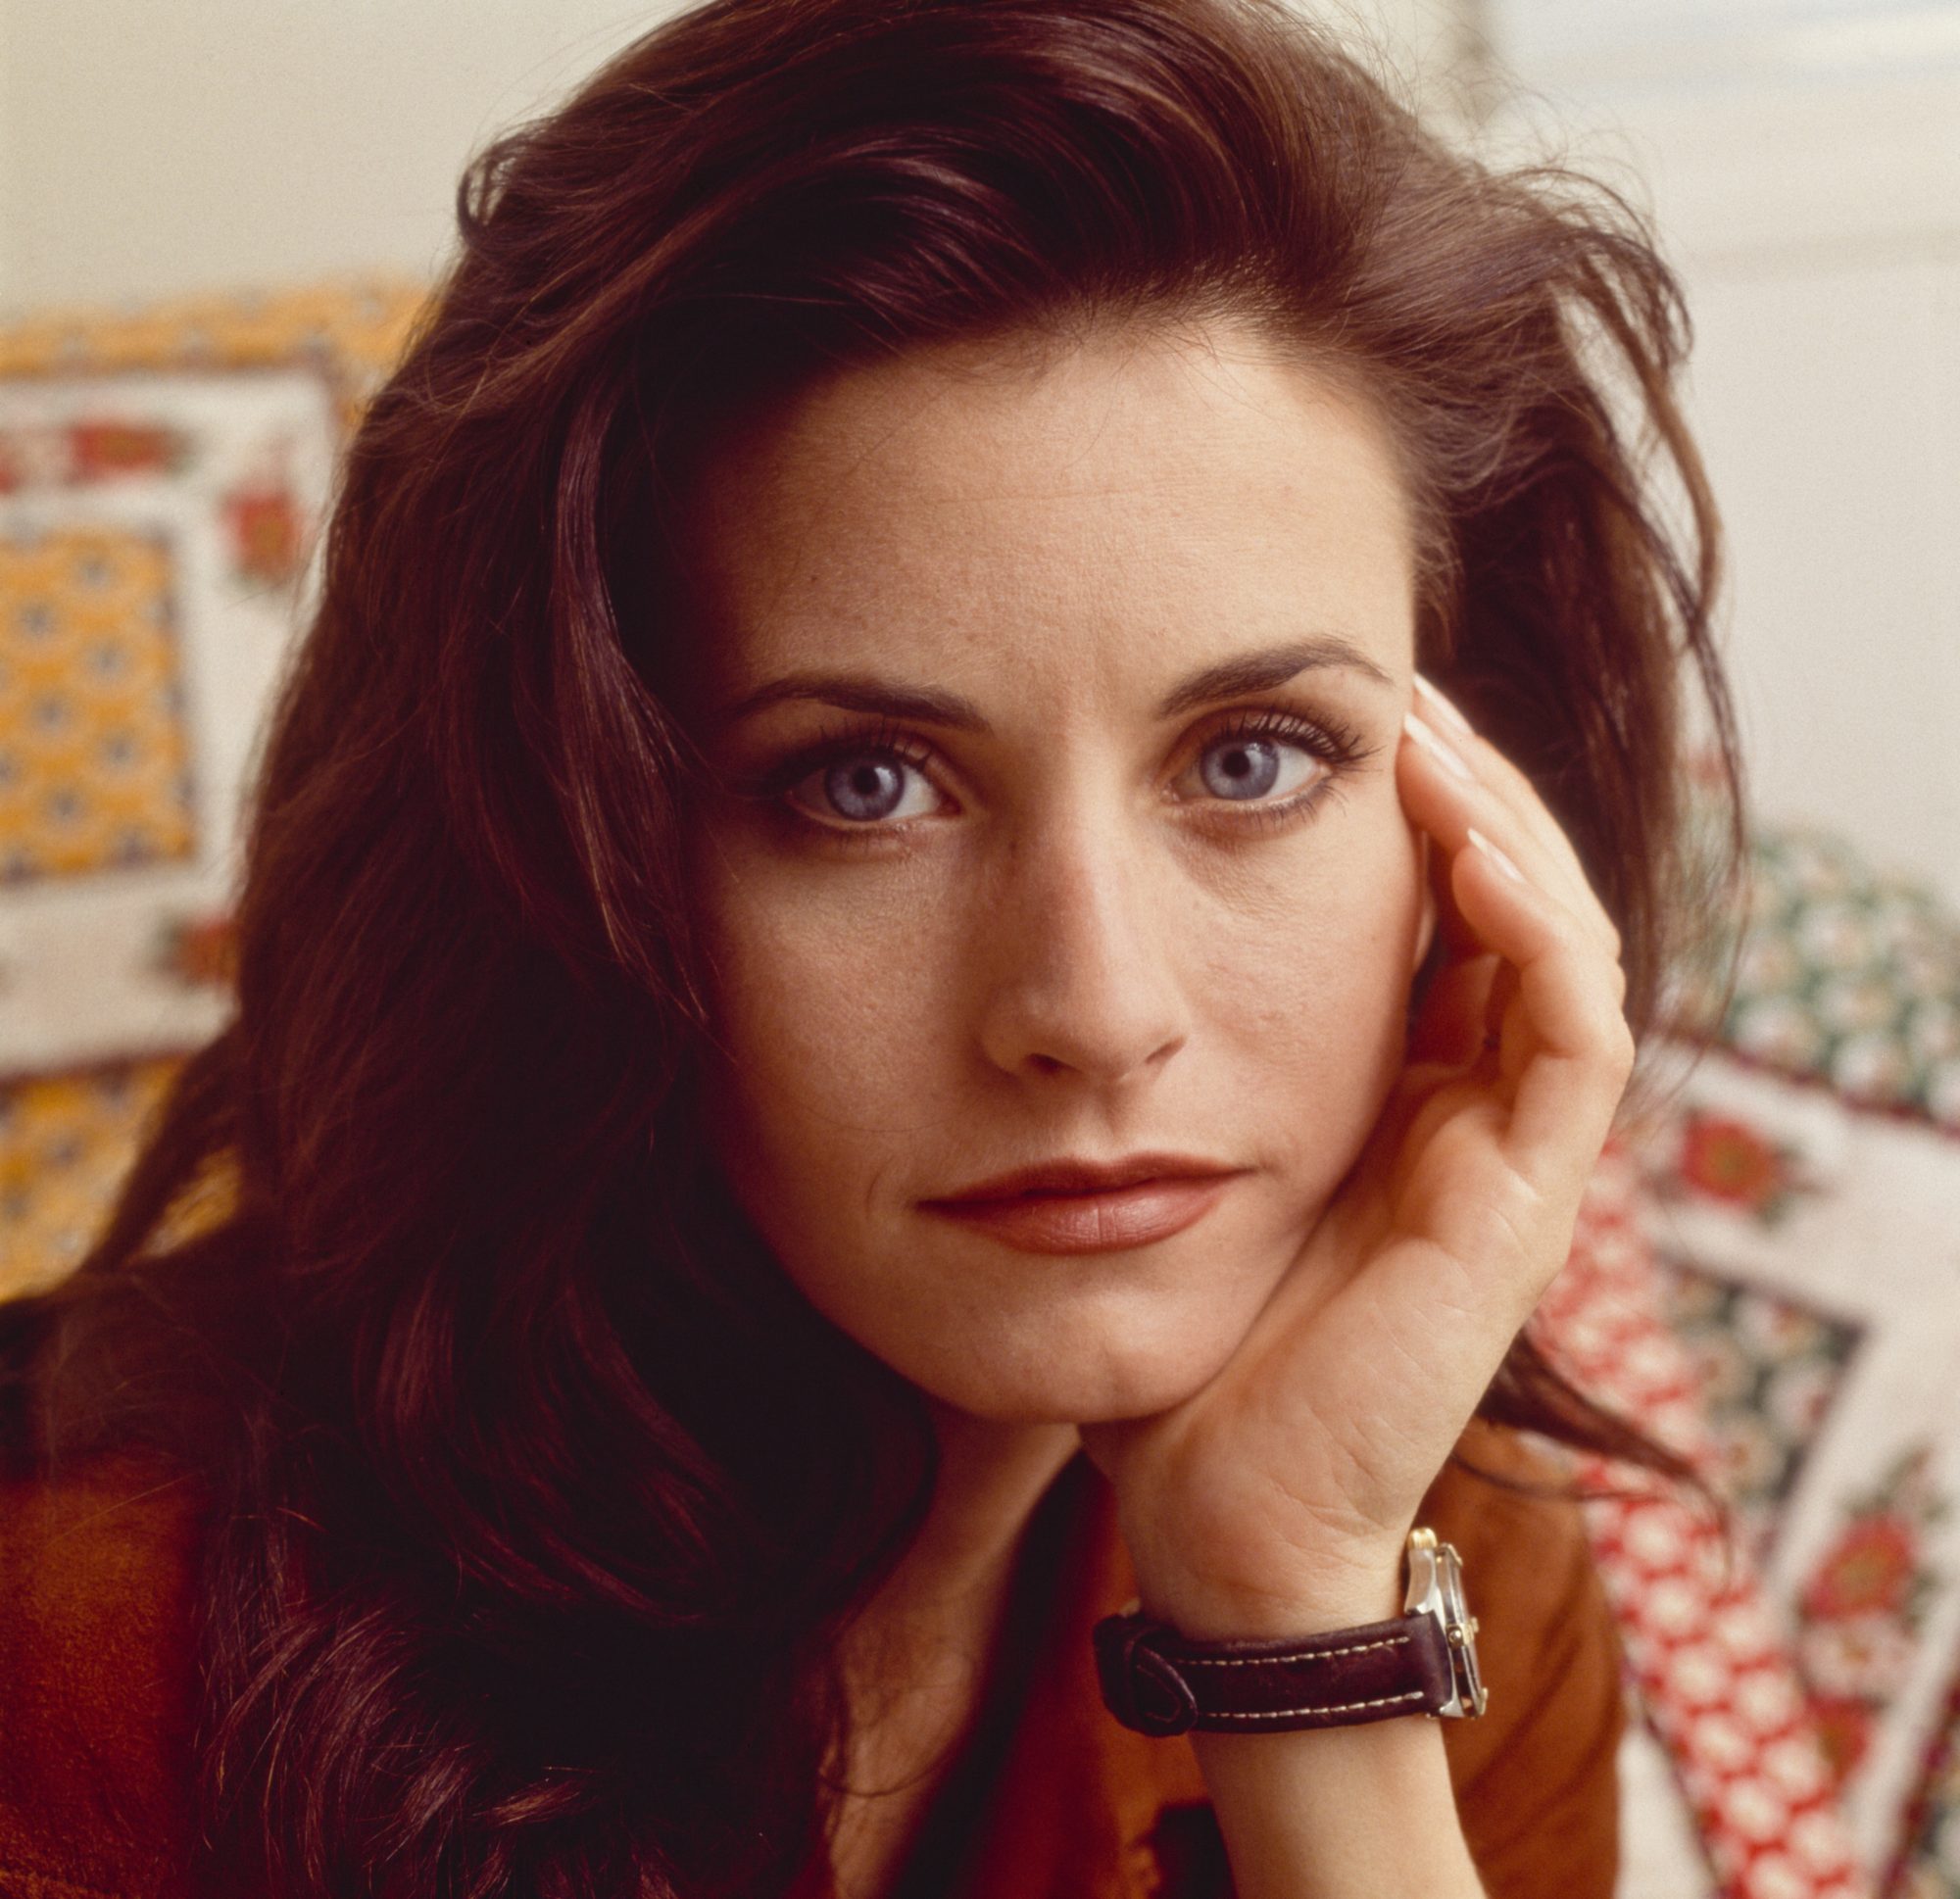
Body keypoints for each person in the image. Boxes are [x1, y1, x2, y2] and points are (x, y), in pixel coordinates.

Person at [0, 0, 1741, 1894]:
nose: (1094, 1011)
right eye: (865, 786)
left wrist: (1298, 1636)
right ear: (578, 847)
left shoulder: (1407, 1535)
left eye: (1254, 758)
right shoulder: (95, 1670)